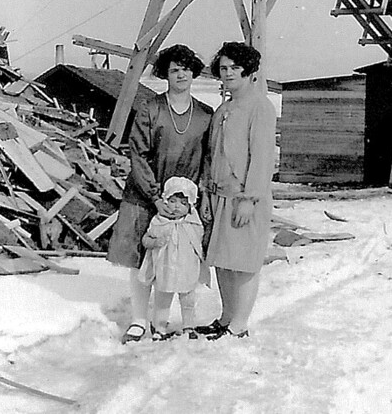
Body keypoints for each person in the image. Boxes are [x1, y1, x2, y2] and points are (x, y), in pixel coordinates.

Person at [107, 44, 213, 344]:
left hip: (182, 201)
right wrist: (155, 197)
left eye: (186, 69)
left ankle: (166, 320)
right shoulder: (150, 109)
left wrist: (193, 198)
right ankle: (140, 320)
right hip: (146, 193)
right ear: (165, 74)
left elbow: (206, 159)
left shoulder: (205, 114)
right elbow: (137, 155)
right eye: (174, 70)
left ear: (194, 72)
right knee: (142, 257)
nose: (181, 75)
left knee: (176, 257)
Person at [196, 41, 276, 340]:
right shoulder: (224, 109)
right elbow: (211, 156)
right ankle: (226, 317)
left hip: (244, 199)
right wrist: (206, 194)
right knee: (223, 261)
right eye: (224, 68)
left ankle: (239, 324)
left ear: (250, 72)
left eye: (235, 68)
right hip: (219, 196)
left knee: (243, 262)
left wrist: (249, 199)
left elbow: (263, 157)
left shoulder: (260, 107)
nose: (228, 73)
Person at [139, 177, 206, 341]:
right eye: (172, 201)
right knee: (162, 299)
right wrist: (156, 242)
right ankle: (159, 326)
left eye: (183, 203)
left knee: (188, 299)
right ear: (165, 200)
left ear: (191, 206)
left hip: (186, 267)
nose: (176, 206)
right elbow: (146, 240)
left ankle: (189, 326)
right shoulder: (159, 221)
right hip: (166, 267)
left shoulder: (192, 223)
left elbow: (199, 242)